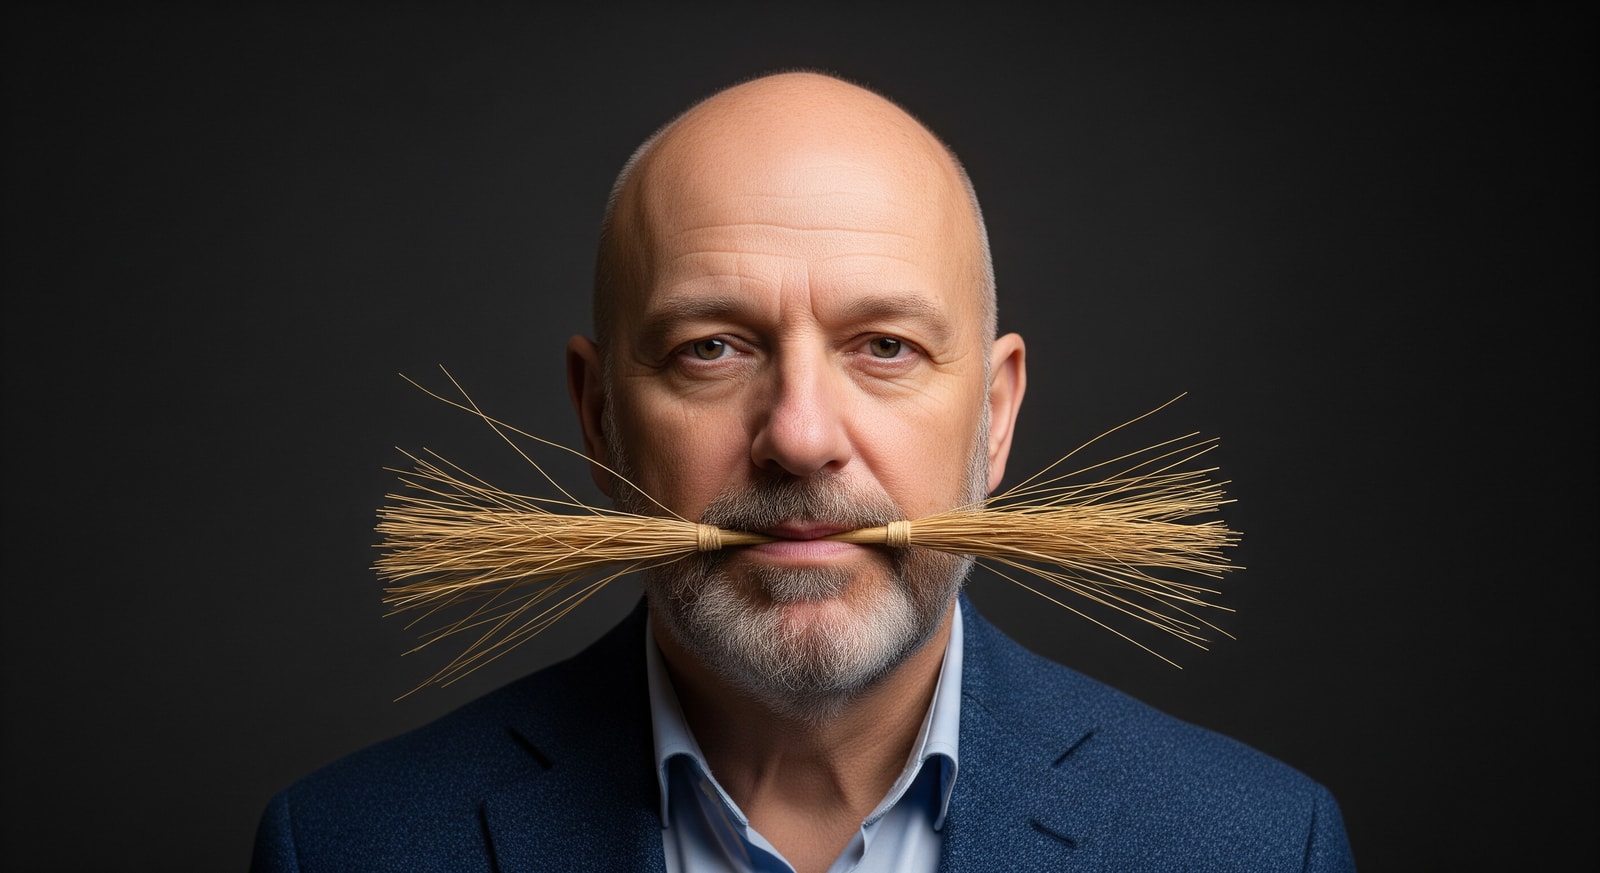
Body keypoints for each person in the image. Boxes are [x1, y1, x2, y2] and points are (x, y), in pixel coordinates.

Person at [251, 70, 1356, 872]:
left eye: (885, 346)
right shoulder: (346, 848)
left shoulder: (1261, 844)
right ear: (597, 419)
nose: (799, 435)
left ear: (995, 416)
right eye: (711, 349)